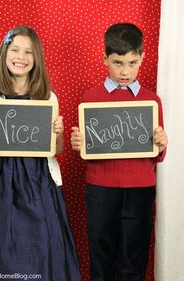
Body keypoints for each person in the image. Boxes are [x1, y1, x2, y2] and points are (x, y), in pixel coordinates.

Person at [0, 26, 81, 281]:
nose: (21, 57)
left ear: (36, 58)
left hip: (39, 182)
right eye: (15, 50)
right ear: (4, 53)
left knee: (43, 246)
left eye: (28, 52)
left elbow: (55, 150)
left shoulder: (47, 97)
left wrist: (58, 135)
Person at [71, 23, 168, 281]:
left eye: (132, 63)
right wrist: (78, 143)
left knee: (133, 262)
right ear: (105, 58)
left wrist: (161, 142)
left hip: (140, 189)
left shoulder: (151, 101)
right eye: (117, 63)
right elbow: (86, 148)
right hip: (101, 189)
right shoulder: (90, 99)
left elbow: (157, 153)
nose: (125, 71)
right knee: (101, 261)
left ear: (142, 58)